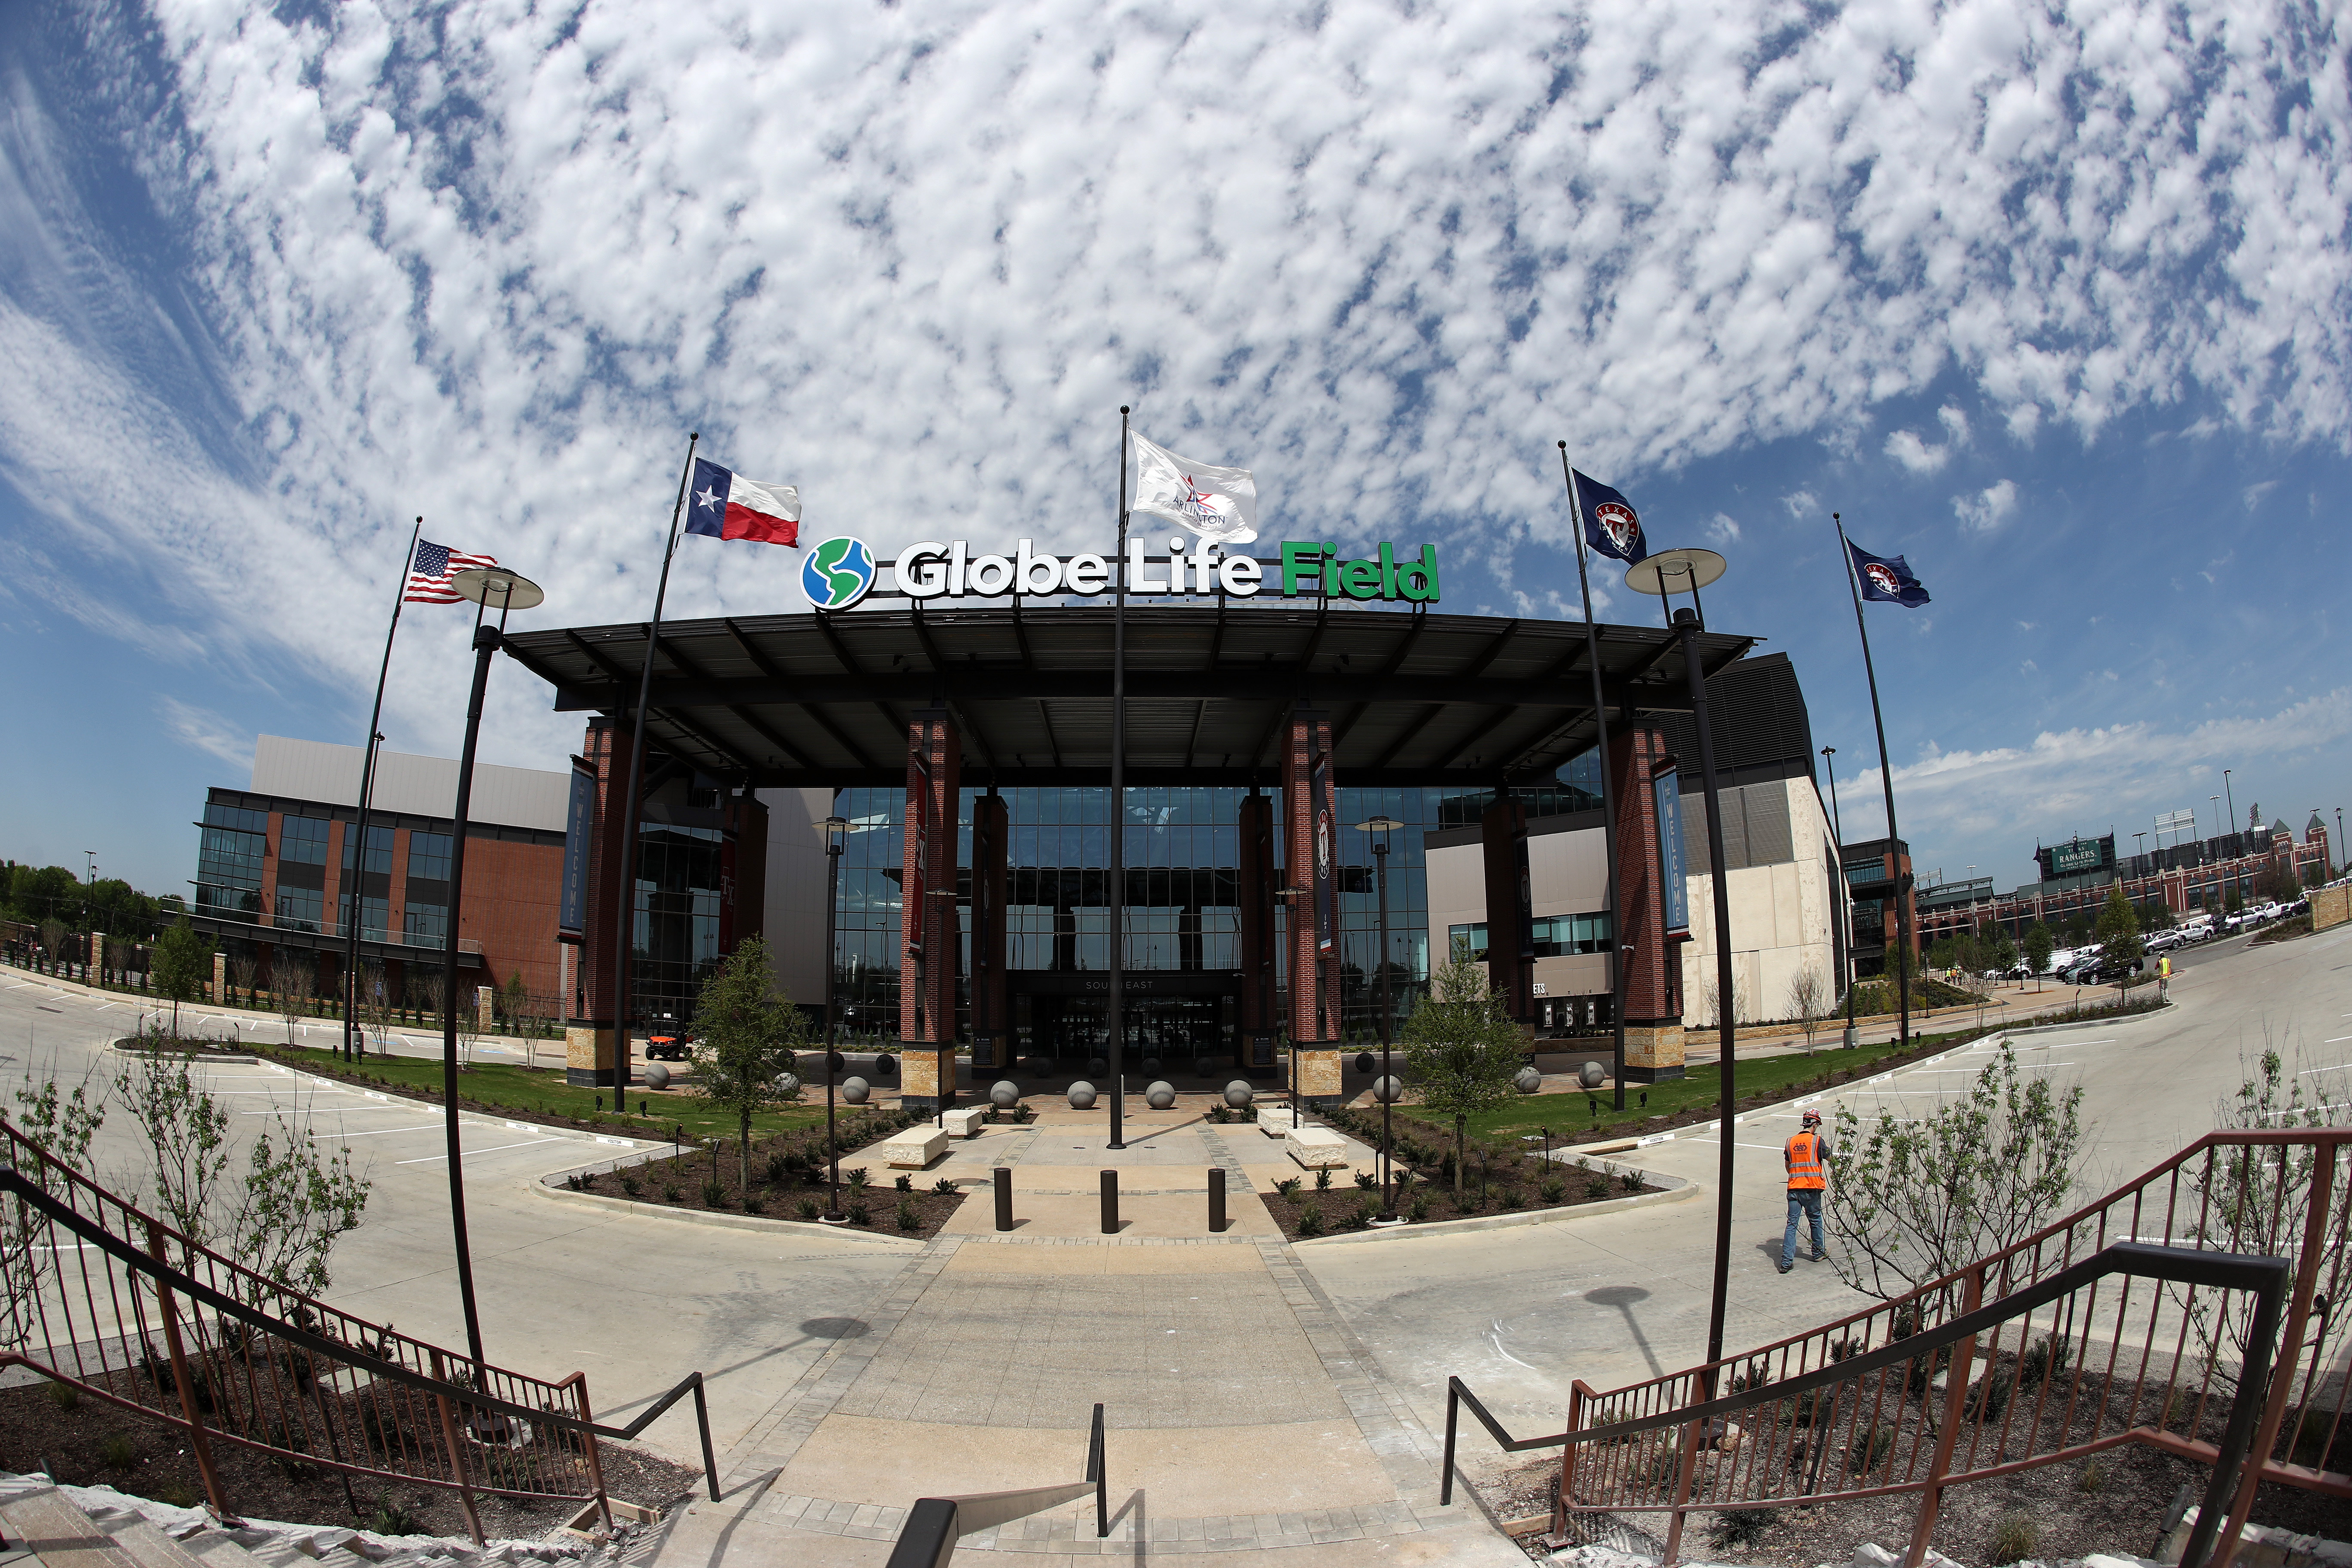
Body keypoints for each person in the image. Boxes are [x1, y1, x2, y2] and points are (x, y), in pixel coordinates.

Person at [1780, 1110, 1831, 1274]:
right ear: (1815, 1124)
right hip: (1812, 1188)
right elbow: (1830, 1158)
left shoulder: (1790, 1141)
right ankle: (1818, 1253)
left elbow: (1788, 1166)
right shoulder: (1816, 1141)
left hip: (1794, 1188)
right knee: (1815, 1220)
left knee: (1792, 1224)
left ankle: (1786, 1262)